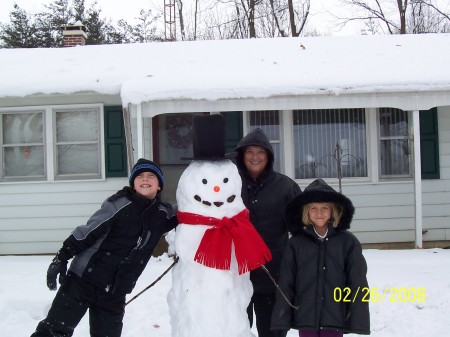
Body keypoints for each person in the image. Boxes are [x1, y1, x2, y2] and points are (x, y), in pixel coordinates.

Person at [30, 158, 178, 337]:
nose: (145, 179)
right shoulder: (119, 203)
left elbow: (187, 212)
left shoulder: (162, 214)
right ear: (133, 183)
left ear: (159, 185)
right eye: (140, 176)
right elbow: (88, 231)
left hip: (115, 290)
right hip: (83, 279)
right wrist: (61, 257)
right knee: (54, 330)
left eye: (151, 176)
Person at [271, 178, 370, 337]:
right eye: (314, 208)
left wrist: (357, 316)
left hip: (335, 317)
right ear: (306, 211)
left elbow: (357, 281)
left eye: (325, 208)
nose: (319, 213)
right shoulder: (296, 244)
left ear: (333, 210)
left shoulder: (347, 242)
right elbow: (286, 282)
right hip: (306, 316)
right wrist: (283, 315)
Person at [234, 128, 302, 337]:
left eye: (260, 152)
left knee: (272, 332)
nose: (255, 157)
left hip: (272, 274)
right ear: (241, 155)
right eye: (250, 152)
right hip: (235, 275)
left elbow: (301, 226)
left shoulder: (284, 186)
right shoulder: (229, 183)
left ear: (269, 156)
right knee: (234, 330)